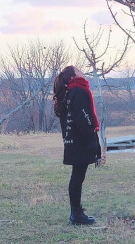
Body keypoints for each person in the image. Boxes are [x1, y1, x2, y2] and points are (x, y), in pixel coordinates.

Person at [53, 65, 101, 225]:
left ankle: (76, 212)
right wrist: (91, 141)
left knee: (77, 175)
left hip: (72, 140)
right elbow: (83, 117)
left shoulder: (69, 93)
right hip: (80, 140)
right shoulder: (78, 91)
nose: (81, 71)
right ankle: (76, 214)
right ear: (73, 76)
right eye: (78, 70)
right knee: (78, 176)